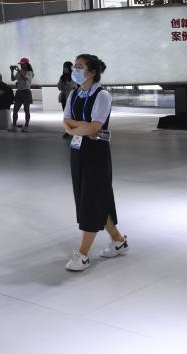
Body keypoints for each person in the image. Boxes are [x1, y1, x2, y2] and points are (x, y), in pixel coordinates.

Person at [62, 54, 127, 272]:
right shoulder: (74, 93)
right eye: (75, 66)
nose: (75, 70)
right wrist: (81, 126)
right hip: (78, 150)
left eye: (79, 67)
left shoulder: (102, 95)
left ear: (91, 72)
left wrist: (77, 127)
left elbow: (95, 127)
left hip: (96, 153)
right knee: (92, 197)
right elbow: (66, 122)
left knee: (90, 199)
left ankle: (82, 254)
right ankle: (118, 240)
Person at [10, 58, 34, 131]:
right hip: (19, 91)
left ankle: (26, 126)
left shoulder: (30, 72)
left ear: (27, 64)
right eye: (21, 64)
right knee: (15, 110)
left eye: (23, 64)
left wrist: (19, 71)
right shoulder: (19, 71)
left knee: (26, 110)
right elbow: (13, 79)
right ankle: (14, 126)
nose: (21, 65)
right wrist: (12, 71)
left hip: (26, 91)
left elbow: (25, 79)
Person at [57, 61, 75, 140]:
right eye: (64, 67)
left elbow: (73, 86)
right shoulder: (62, 77)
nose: (65, 69)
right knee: (66, 115)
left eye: (66, 67)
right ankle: (68, 131)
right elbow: (59, 86)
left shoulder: (74, 76)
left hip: (72, 98)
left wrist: (66, 86)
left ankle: (74, 130)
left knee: (73, 115)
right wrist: (64, 86)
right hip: (64, 97)